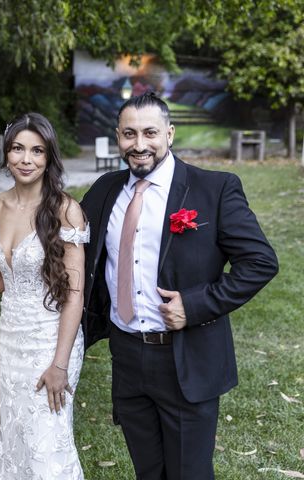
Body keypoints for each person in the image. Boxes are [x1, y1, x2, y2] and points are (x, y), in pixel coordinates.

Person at [80, 91, 278, 479]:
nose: (139, 145)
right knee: (148, 471)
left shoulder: (214, 189)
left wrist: (197, 304)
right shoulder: (105, 190)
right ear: (118, 137)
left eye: (150, 133)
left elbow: (260, 262)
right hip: (127, 357)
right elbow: (70, 245)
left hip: (185, 358)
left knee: (189, 472)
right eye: (129, 134)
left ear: (169, 134)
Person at [0, 112, 88, 479]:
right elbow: (2, 279)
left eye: (37, 151)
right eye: (17, 149)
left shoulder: (66, 211)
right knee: (14, 436)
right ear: (7, 154)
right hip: (10, 339)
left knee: (46, 438)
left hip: (51, 339)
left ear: (49, 157)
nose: (26, 159)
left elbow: (75, 296)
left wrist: (59, 364)